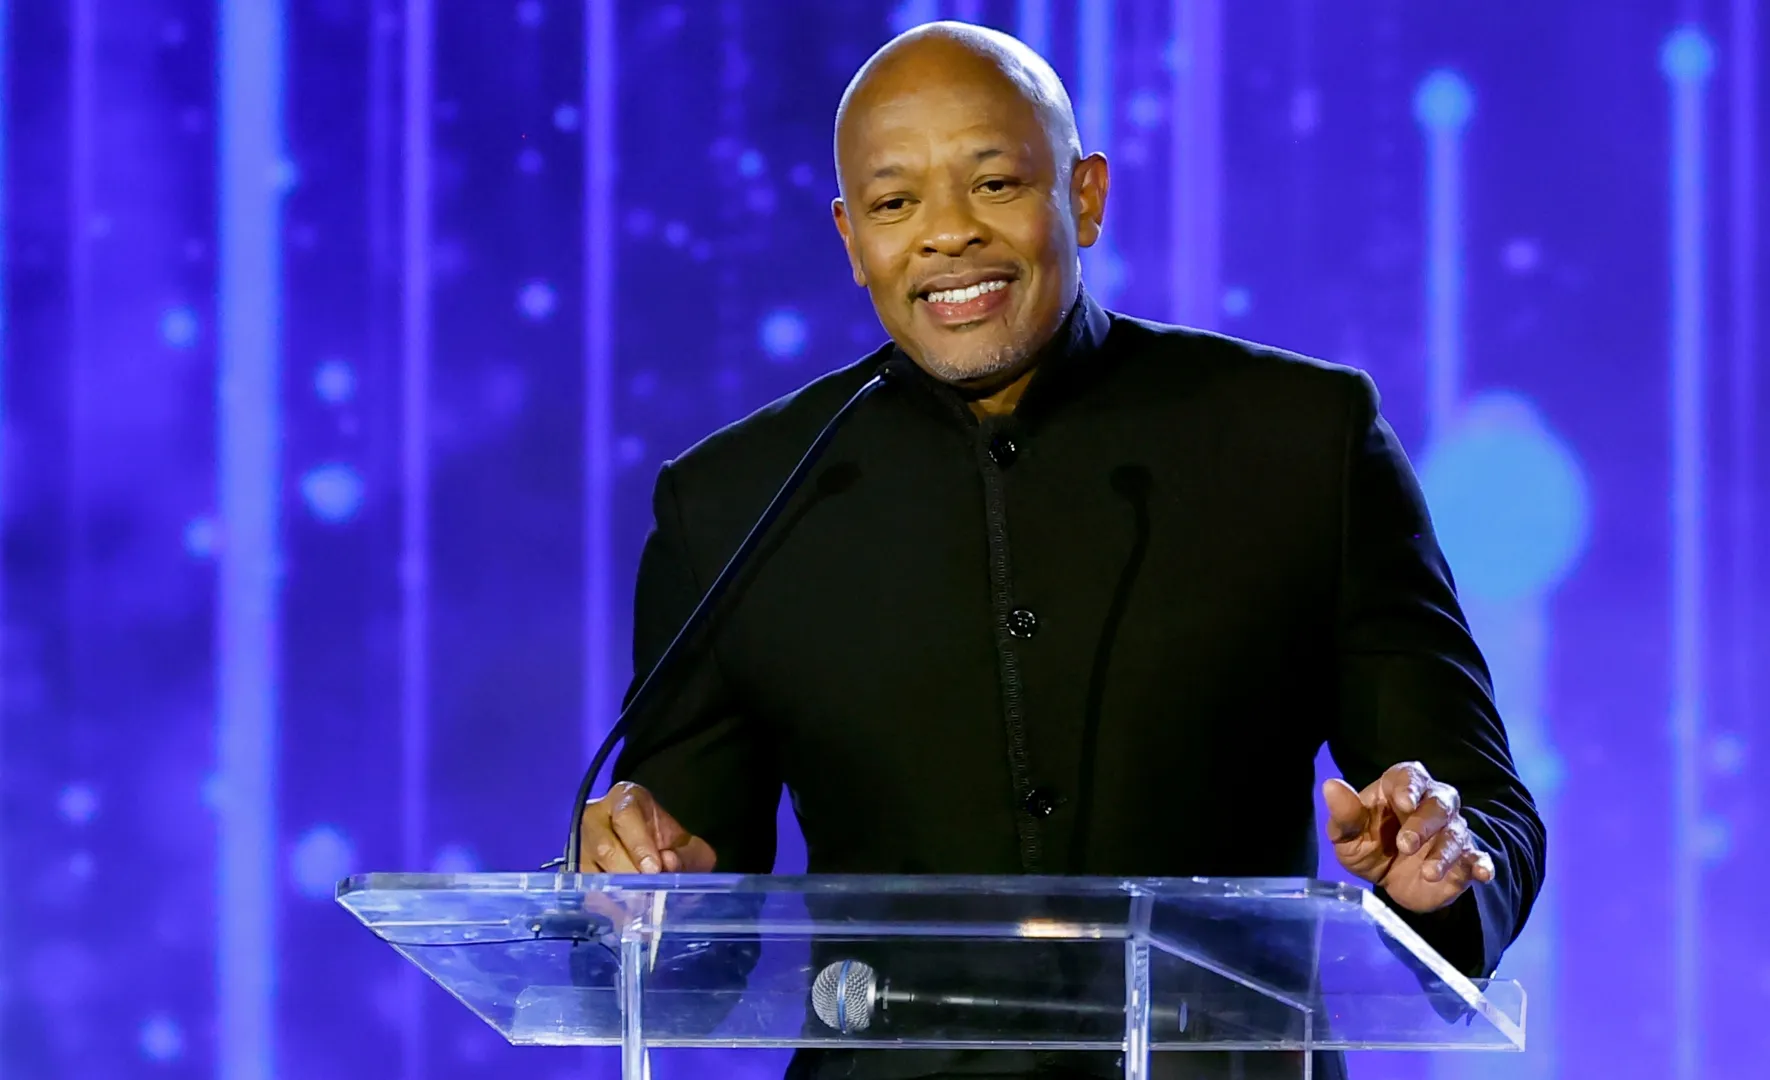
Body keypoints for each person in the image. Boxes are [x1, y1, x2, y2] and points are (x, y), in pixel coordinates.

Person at [578, 20, 1544, 1080]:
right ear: (854, 241)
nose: (946, 235)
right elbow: (678, 913)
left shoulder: (1299, 441)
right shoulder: (735, 502)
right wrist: (641, 891)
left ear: (1084, 195)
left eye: (993, 183)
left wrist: (1443, 865)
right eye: (897, 204)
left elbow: (1476, 805)